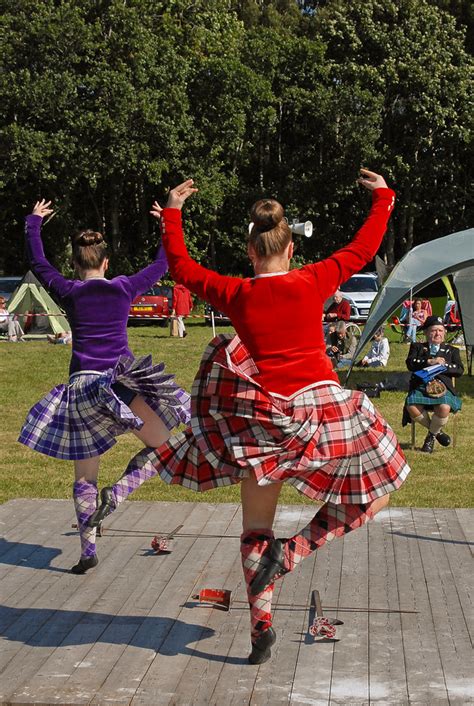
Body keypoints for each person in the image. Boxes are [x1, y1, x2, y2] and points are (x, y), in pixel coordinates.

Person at [95, 170, 409, 664]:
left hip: (260, 423)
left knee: (254, 528)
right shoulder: (312, 279)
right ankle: (294, 554)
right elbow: (362, 249)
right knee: (379, 489)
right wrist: (383, 197)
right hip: (321, 415)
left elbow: (180, 267)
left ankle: (260, 630)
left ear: (251, 253)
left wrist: (174, 211)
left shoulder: (236, 293)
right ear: (291, 251)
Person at [19, 200, 190, 574]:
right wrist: (166, 227)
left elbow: (38, 263)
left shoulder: (68, 290)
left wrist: (34, 222)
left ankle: (87, 552)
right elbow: (164, 264)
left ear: (76, 266)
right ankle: (118, 493)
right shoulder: (123, 288)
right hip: (118, 384)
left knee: (84, 478)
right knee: (164, 447)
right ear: (106, 263)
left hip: (81, 389)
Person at [403, 315, 463, 453]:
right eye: (434, 330)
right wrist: (429, 362)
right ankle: (437, 432)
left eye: (441, 331)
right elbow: (410, 364)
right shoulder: (417, 347)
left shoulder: (452, 350)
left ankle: (430, 438)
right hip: (420, 386)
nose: (438, 334)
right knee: (412, 407)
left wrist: (443, 365)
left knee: (444, 407)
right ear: (426, 332)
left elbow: (459, 370)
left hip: (443, 387)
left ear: (445, 333)